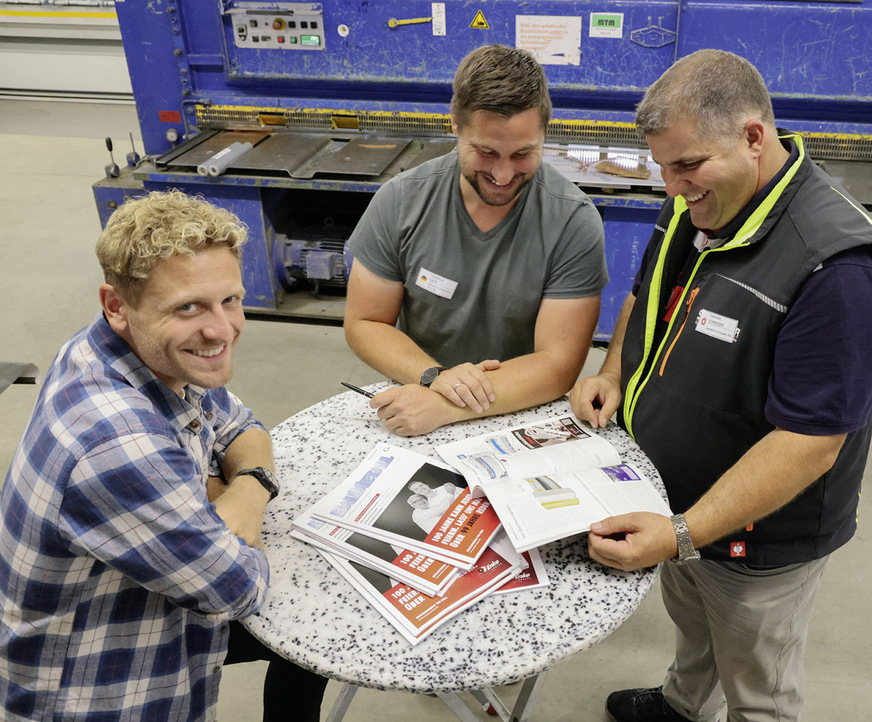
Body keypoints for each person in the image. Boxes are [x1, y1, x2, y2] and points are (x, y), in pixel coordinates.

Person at [569, 49, 872, 722]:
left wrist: (680, 534)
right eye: (663, 169)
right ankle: (683, 704)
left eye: (687, 166)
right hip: (674, 508)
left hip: (757, 540)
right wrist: (613, 370)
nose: (673, 188)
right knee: (697, 626)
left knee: (758, 682)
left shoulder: (834, 267)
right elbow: (646, 296)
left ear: (754, 138)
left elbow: (811, 443)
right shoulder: (698, 203)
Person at [0, 190, 326, 721]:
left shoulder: (128, 349)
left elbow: (242, 425)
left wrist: (248, 487)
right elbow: (236, 589)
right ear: (116, 306)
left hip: (152, 611)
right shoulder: (113, 440)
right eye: (188, 307)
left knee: (307, 653)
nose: (222, 331)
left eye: (231, 300)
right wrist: (223, 500)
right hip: (103, 688)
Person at [345, 44, 609, 437]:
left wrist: (447, 404)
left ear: (544, 133)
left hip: (519, 414)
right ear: (455, 124)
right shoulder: (401, 202)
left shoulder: (572, 221)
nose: (503, 175)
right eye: (486, 152)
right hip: (420, 400)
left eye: (523, 153)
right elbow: (365, 322)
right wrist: (433, 377)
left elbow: (557, 364)